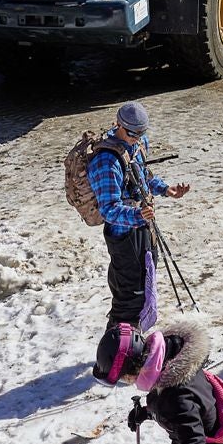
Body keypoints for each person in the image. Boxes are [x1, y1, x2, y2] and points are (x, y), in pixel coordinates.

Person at [89, 102, 189, 333]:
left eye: (141, 133)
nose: (137, 138)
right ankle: (115, 353)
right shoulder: (106, 161)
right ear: (119, 124)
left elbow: (142, 175)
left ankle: (133, 342)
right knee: (129, 299)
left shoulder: (139, 143)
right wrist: (137, 214)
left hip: (144, 227)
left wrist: (166, 189)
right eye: (132, 133)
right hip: (123, 236)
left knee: (146, 286)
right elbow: (109, 209)